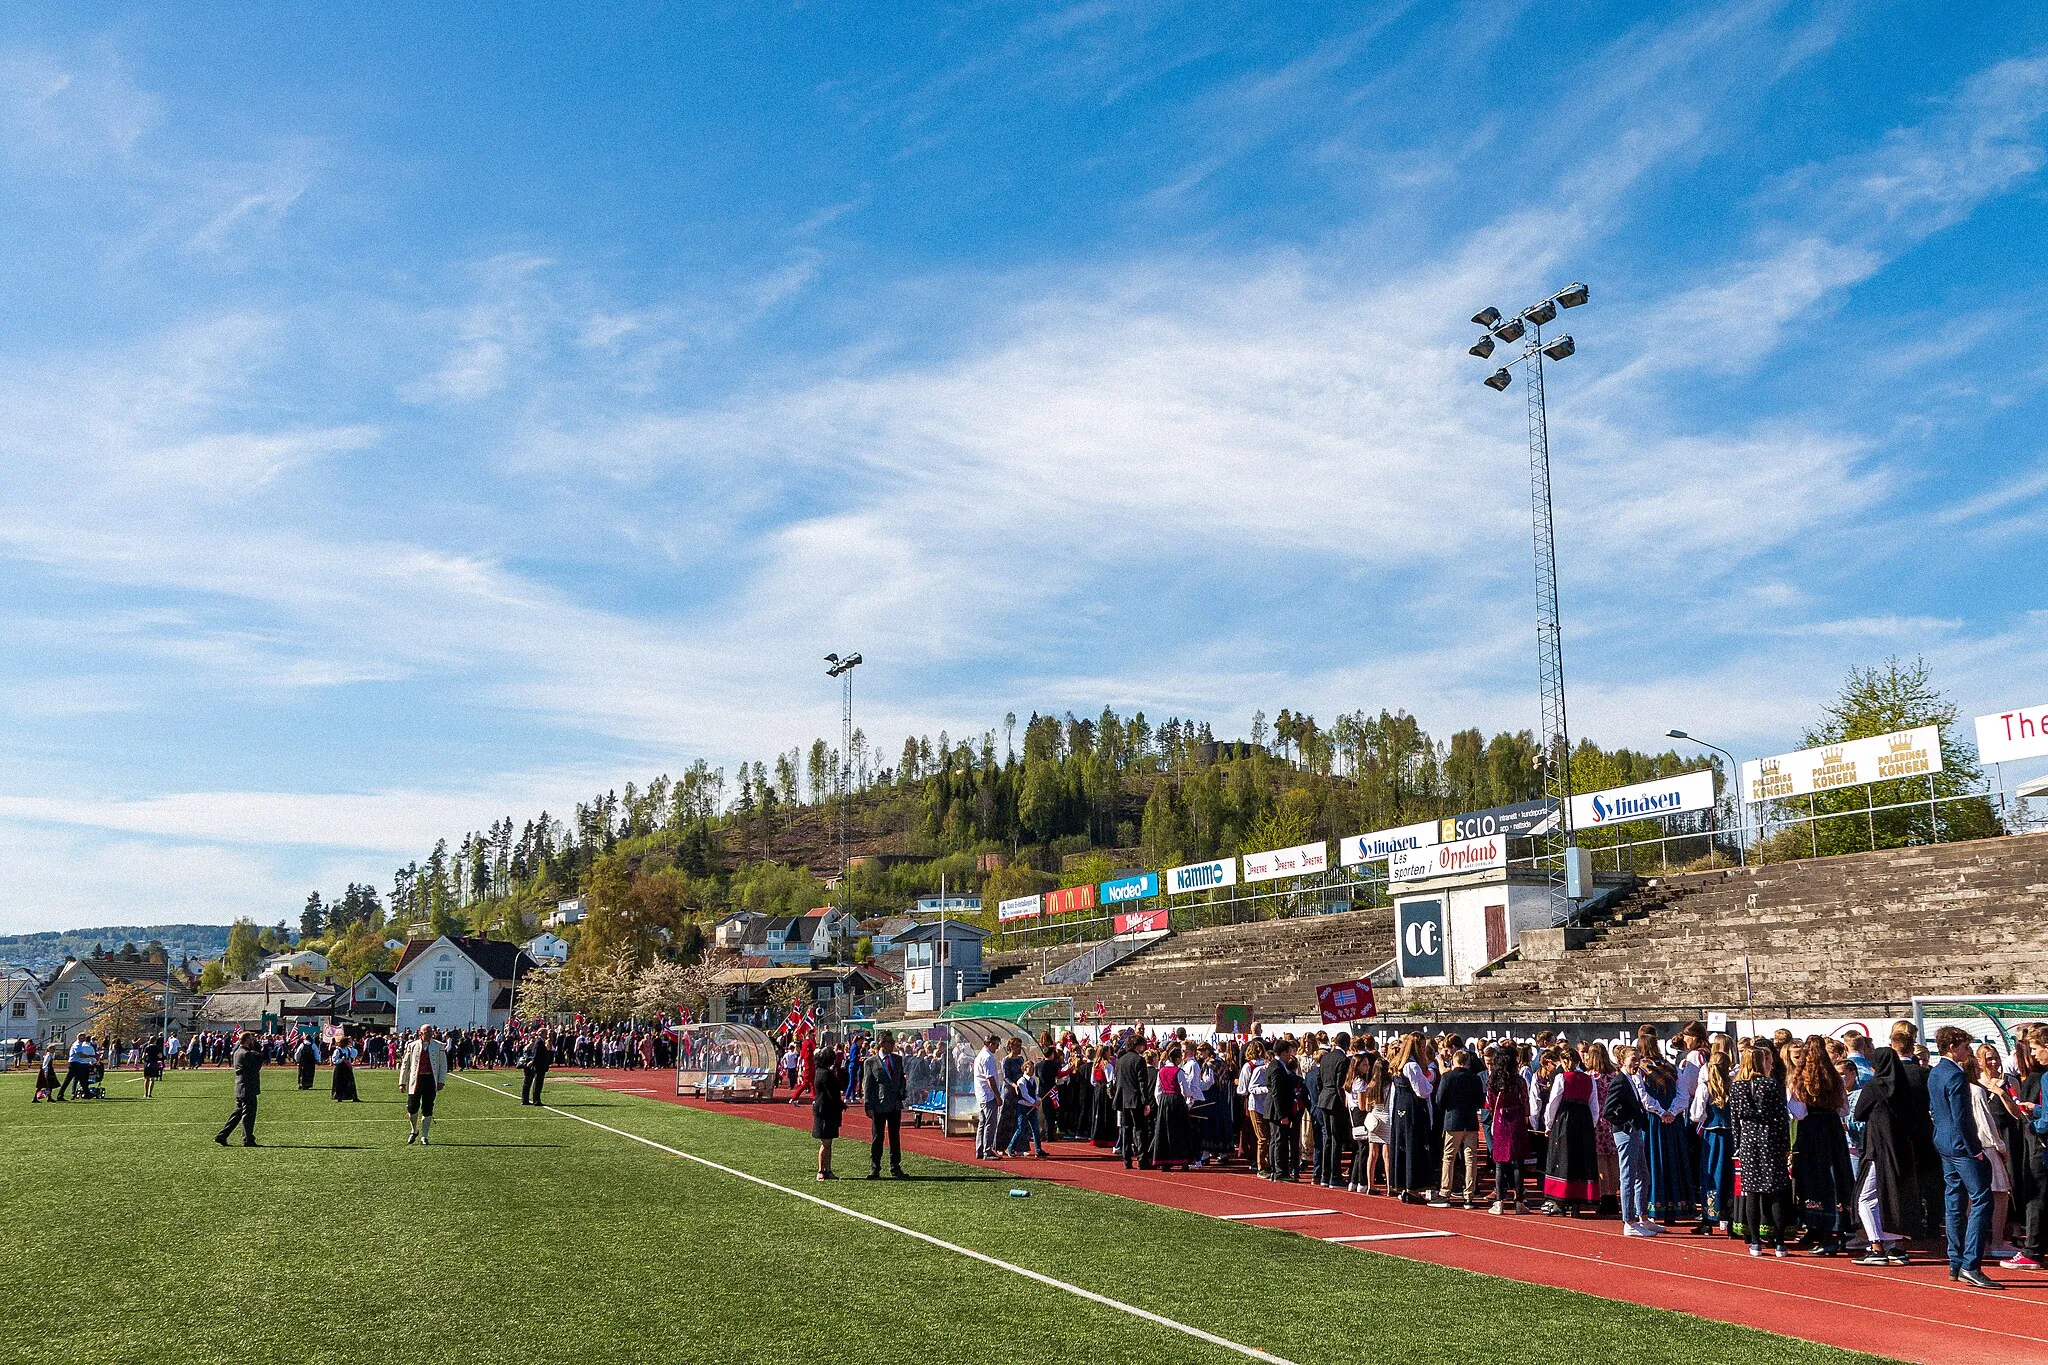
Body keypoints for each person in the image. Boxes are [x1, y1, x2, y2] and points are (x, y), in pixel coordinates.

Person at [1930, 1026, 2000, 1289]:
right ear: (1952, 1048)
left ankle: (1956, 1262)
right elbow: (1962, 1118)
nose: (1968, 1051)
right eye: (1964, 1046)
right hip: (1960, 1146)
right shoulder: (1955, 1077)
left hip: (1944, 1143)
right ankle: (1971, 1264)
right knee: (1982, 1199)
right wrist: (1976, 1150)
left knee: (1955, 1199)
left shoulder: (1937, 1072)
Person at [1790, 1034, 1854, 1255]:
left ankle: (1824, 1233)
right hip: (1832, 1129)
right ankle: (1833, 1230)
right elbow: (1844, 1110)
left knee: (1815, 1179)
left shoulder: (1800, 1078)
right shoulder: (1834, 1078)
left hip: (1811, 1130)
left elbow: (1797, 1112)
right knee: (1835, 1176)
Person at [1728, 1040, 1794, 1257]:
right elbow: (1782, 1118)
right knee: (1775, 1193)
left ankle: (1755, 1241)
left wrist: (1737, 1145)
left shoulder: (1737, 1087)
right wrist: (1785, 1144)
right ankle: (1779, 1242)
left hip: (1748, 1143)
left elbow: (1735, 1120)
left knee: (1753, 1193)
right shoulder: (1772, 1085)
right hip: (1770, 1141)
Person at [1540, 1047, 1599, 1217]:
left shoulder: (1562, 1078)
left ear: (1565, 1062)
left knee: (1562, 1158)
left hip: (1565, 1120)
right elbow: (1594, 1106)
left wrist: (1548, 1125)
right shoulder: (1590, 1079)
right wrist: (1591, 1125)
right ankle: (1577, 1203)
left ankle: (1561, 1200)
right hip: (1584, 1120)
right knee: (1581, 1160)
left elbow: (1553, 1103)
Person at [1386, 1033, 1434, 1203]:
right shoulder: (1412, 1066)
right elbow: (1422, 1091)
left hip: (1400, 1108)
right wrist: (1431, 1081)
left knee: (1403, 1146)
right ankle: (1412, 1187)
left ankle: (1404, 1185)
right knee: (1414, 1146)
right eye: (1421, 1047)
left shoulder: (1397, 1065)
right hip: (1412, 1110)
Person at [1434, 1047, 1485, 1209]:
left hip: (1453, 1121)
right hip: (1470, 1121)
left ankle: (1445, 1192)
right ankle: (1469, 1195)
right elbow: (1480, 1101)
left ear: (1454, 1061)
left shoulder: (1448, 1077)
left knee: (1449, 1157)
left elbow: (1440, 1100)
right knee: (1471, 1158)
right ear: (1468, 1062)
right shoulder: (1475, 1078)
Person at [1485, 1045, 1531, 1215]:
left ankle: (1499, 1202)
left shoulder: (1492, 1080)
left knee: (1500, 1163)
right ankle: (1519, 1201)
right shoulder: (1519, 1081)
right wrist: (1525, 1117)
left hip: (1499, 1119)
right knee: (1518, 1162)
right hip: (1516, 1118)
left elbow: (1489, 1103)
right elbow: (1525, 1102)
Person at [864, 1029, 908, 1178]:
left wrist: (902, 1091)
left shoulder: (897, 1059)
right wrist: (868, 1105)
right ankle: (875, 1168)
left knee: (895, 1137)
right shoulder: (870, 1062)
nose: (893, 1045)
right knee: (878, 1138)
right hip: (879, 1105)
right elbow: (868, 1085)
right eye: (891, 1042)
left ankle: (895, 1167)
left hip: (895, 1104)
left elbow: (901, 1078)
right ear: (882, 1043)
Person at [1313, 1032, 1350, 1189]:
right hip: (1335, 1101)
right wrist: (1344, 1104)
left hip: (1324, 1099)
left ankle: (1325, 1175)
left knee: (1327, 1138)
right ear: (1347, 1045)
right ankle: (1335, 1176)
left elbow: (1319, 1080)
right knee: (1335, 1138)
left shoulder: (1325, 1057)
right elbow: (1340, 1084)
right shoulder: (1343, 1060)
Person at [400, 1026, 448, 1146]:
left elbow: (443, 1065)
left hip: (430, 1080)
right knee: (412, 1108)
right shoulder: (412, 1045)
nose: (430, 1034)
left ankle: (424, 1136)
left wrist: (441, 1081)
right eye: (427, 1032)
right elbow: (405, 1065)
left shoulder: (439, 1046)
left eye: (431, 1032)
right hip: (416, 1080)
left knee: (427, 1108)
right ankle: (414, 1130)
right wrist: (402, 1082)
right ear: (421, 1033)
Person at [214, 1033, 264, 1147]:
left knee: (238, 1114)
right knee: (249, 1114)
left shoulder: (237, 1052)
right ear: (246, 1040)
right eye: (251, 1039)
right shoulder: (246, 1054)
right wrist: (260, 1056)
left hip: (240, 1086)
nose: (253, 1042)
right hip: (248, 1087)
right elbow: (255, 1067)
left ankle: (222, 1135)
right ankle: (248, 1139)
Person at [1114, 1037, 1152, 1170]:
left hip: (1124, 1099)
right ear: (1138, 1046)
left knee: (1126, 1130)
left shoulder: (1120, 1060)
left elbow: (1117, 1080)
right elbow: (1142, 1082)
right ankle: (1142, 1160)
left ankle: (1127, 1160)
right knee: (1140, 1130)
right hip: (1136, 1099)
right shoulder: (1139, 1060)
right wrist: (1146, 1102)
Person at [811, 1039, 847, 1180]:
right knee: (825, 1143)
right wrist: (840, 1104)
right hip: (825, 1112)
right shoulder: (825, 1074)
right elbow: (831, 1094)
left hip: (827, 1111)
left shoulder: (822, 1072)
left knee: (828, 1143)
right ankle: (821, 1170)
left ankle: (828, 1170)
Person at [975, 1036, 1005, 1161]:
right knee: (990, 1124)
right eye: (996, 1045)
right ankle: (987, 1151)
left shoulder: (980, 1055)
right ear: (990, 1044)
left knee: (982, 1123)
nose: (997, 1048)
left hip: (981, 1094)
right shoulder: (988, 1058)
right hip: (988, 1095)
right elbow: (990, 1079)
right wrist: (997, 1096)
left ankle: (980, 1149)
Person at [520, 1030, 554, 1106]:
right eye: (545, 1033)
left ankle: (529, 1099)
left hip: (540, 1064)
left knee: (534, 1083)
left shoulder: (541, 1042)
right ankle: (536, 1100)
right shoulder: (539, 1042)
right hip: (539, 1065)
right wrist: (533, 1061)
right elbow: (537, 1054)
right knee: (537, 1083)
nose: (546, 1035)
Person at [58, 1034, 96, 1100]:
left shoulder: (80, 1044)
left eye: (84, 1037)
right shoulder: (77, 1045)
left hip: (77, 1063)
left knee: (82, 1079)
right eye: (82, 1037)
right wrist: (90, 1056)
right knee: (68, 1080)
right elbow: (80, 1055)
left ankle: (87, 1094)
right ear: (78, 1038)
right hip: (74, 1064)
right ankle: (60, 1095)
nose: (84, 1039)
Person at [331, 1034, 360, 1102]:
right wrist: (341, 1059)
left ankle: (353, 1097)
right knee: (340, 1083)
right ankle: (339, 1097)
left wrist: (351, 1047)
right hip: (340, 1068)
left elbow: (354, 1054)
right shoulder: (338, 1050)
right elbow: (334, 1060)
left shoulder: (348, 1049)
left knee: (350, 1082)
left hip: (347, 1068)